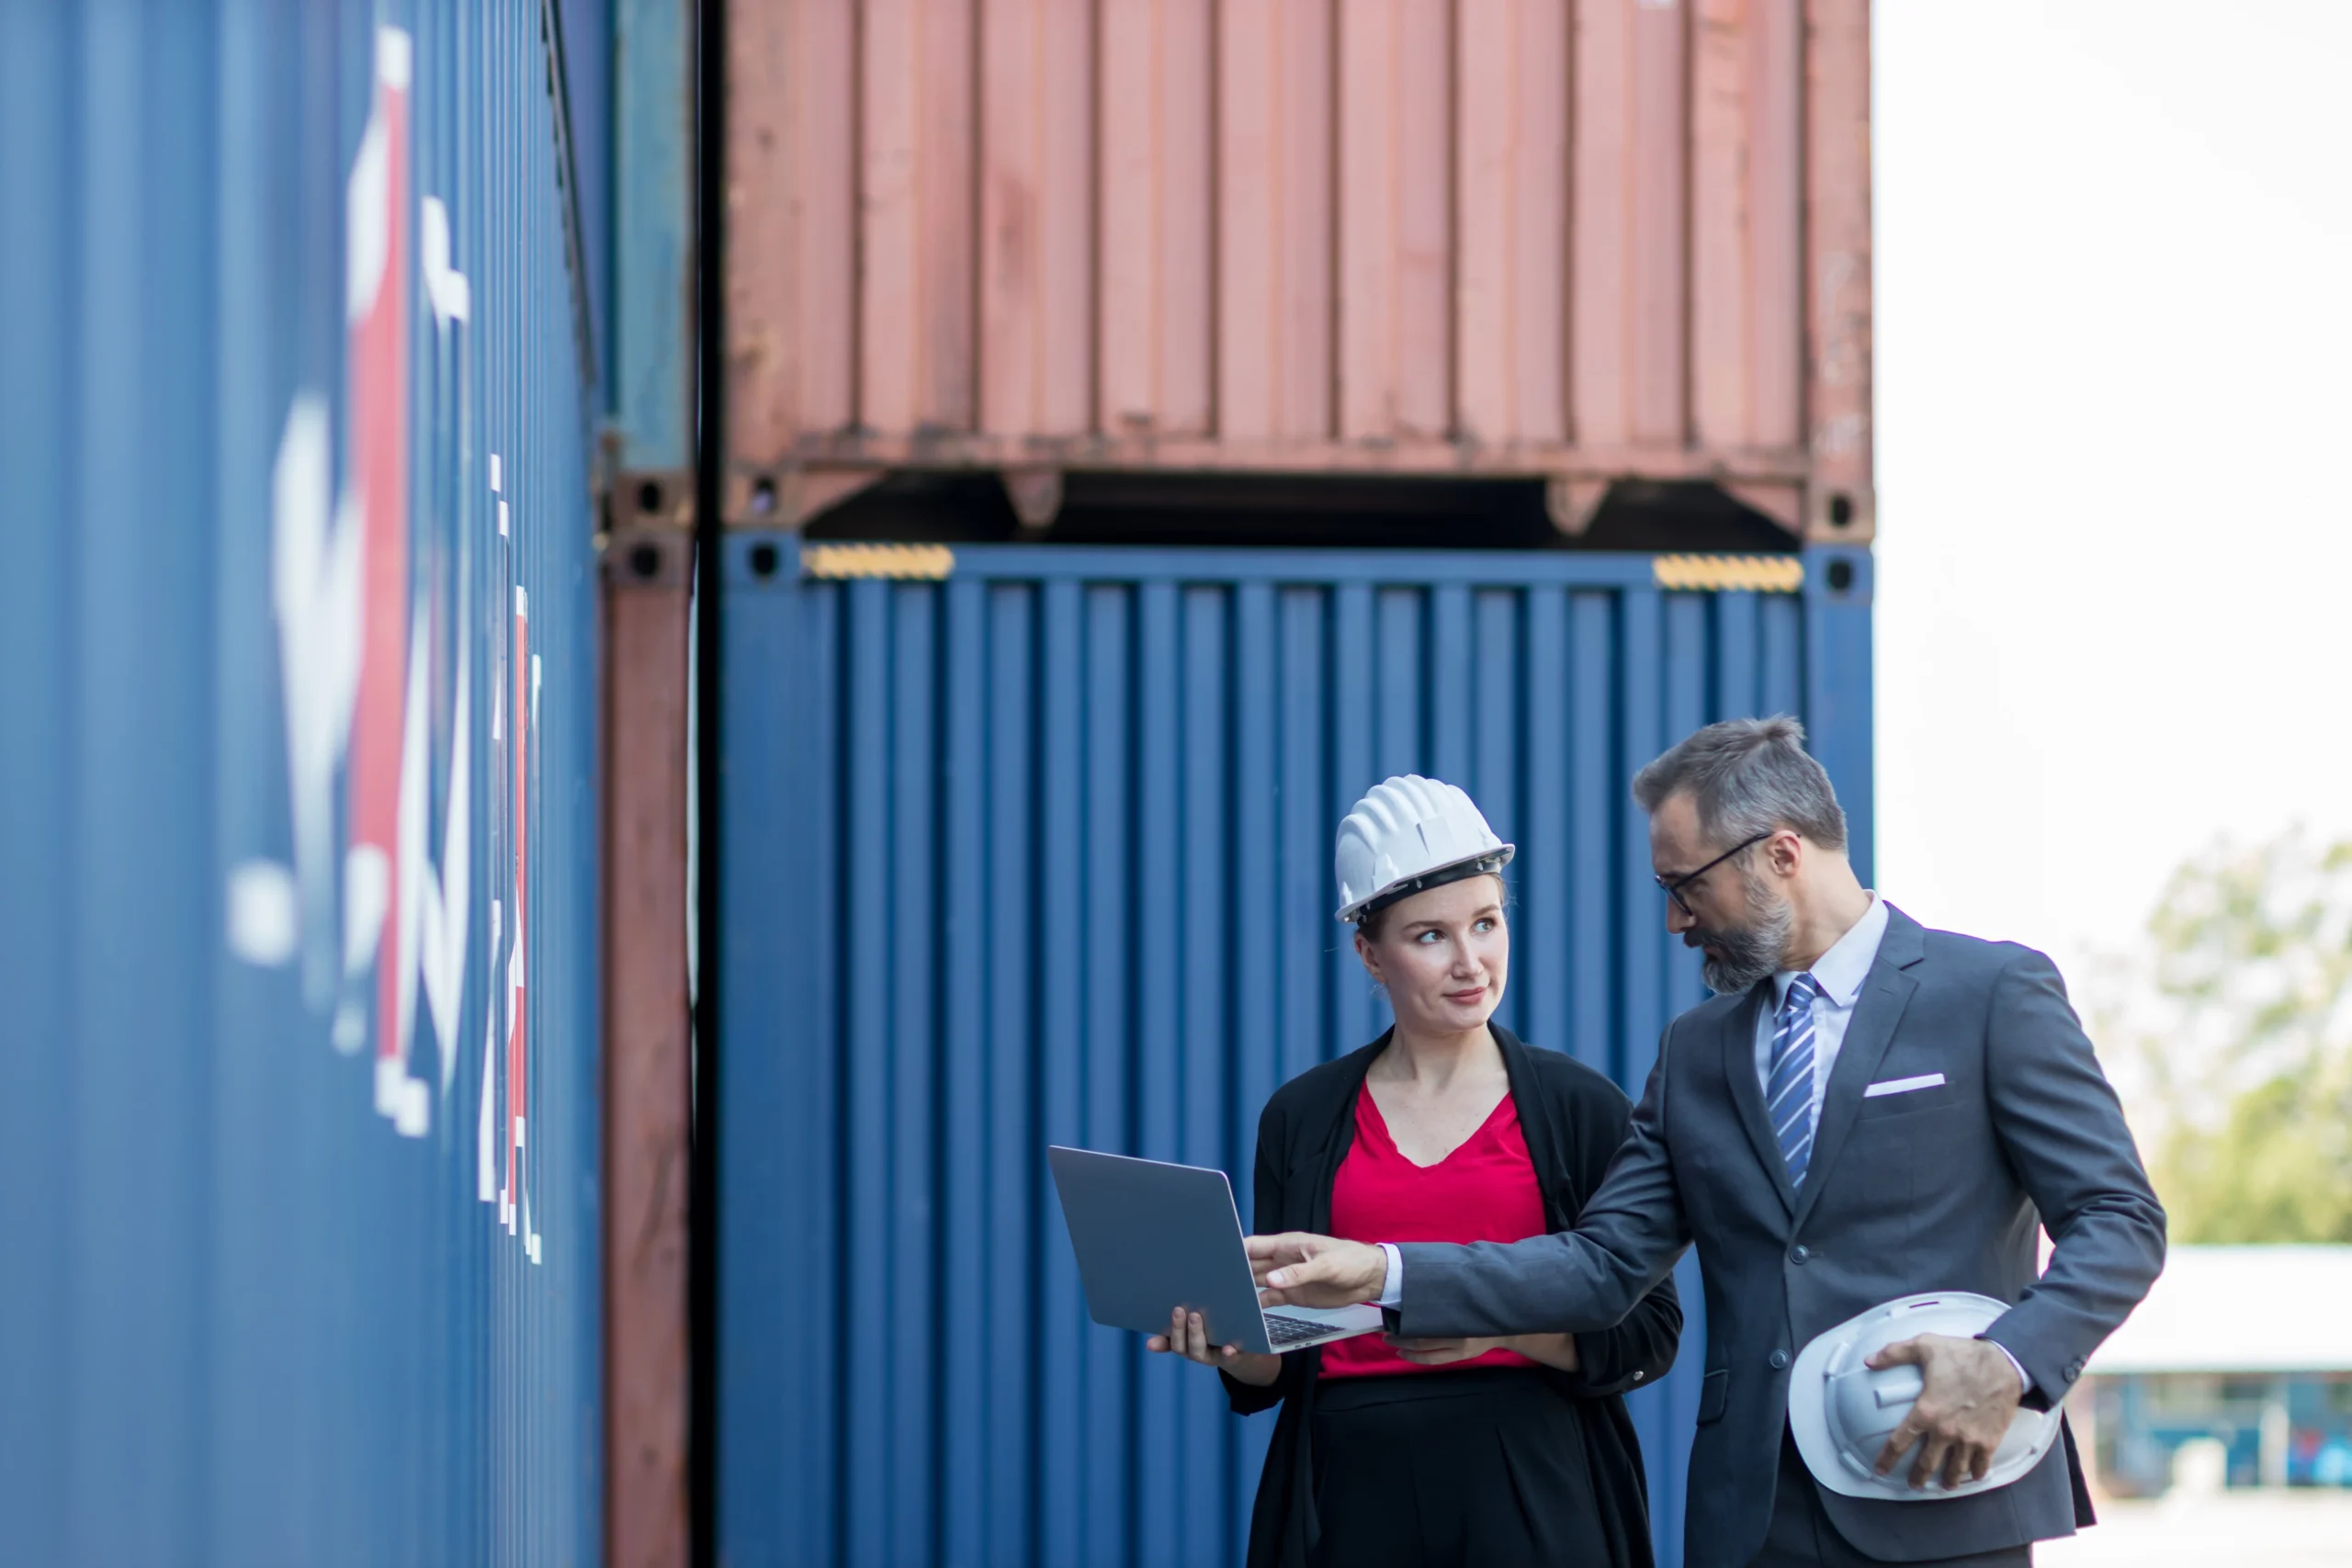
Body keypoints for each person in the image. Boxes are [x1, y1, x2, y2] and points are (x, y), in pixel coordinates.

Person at [1250, 719, 2166, 1568]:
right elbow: (1601, 1265)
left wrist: (2008, 1359)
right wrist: (1383, 1274)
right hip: (1751, 1518)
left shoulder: (1990, 994)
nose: (1674, 922)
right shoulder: (1698, 1051)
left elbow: (2120, 1219)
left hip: (1938, 1484)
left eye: (1685, 886)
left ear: (1778, 853)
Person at [1148, 774, 1681, 1568]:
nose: (1470, 962)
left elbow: (1650, 1330)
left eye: (1487, 923)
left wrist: (1495, 1328)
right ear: (1369, 952)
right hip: (1350, 1483)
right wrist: (1227, 1340)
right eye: (1430, 935)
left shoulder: (1580, 1106)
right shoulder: (1301, 1117)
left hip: (1534, 1478)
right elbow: (1275, 1363)